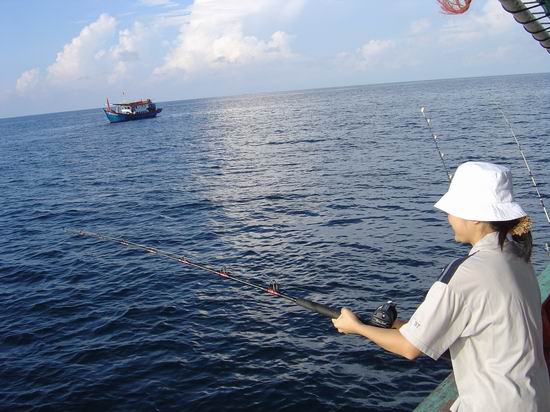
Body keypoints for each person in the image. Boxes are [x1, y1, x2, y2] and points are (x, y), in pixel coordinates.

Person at [332, 161, 550, 411]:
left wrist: (357, 327)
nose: (448, 217)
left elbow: (408, 348)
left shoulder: (465, 272)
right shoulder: (518, 256)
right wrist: (401, 325)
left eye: (453, 209)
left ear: (476, 218)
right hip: (536, 399)